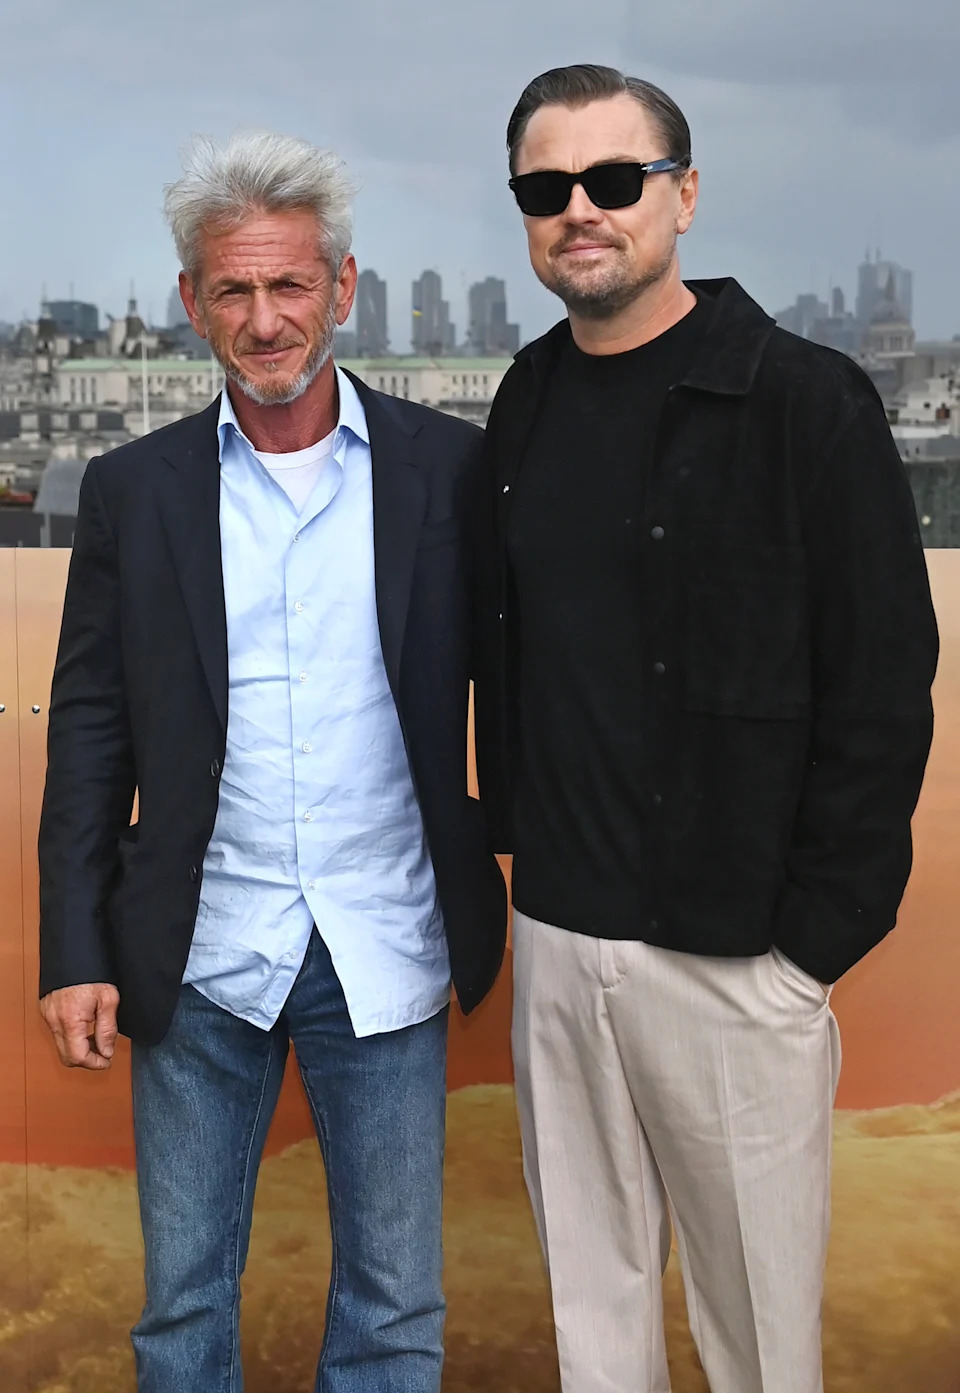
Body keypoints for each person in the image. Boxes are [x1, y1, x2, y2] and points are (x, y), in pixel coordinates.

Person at [473, 63, 938, 1393]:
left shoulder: (805, 402)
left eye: (615, 180)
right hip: (559, 942)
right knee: (595, 1331)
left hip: (738, 958)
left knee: (759, 1348)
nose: (581, 209)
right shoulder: (525, 401)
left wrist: (808, 951)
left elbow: (883, 678)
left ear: (682, 195)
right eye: (545, 187)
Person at [38, 131, 506, 1393]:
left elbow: (523, 689)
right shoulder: (134, 490)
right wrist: (74, 948)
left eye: (290, 285)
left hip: (387, 943)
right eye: (234, 289)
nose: (264, 317)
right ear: (192, 302)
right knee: (181, 1311)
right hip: (197, 950)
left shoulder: (450, 472)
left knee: (397, 1309)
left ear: (342, 289)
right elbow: (89, 726)